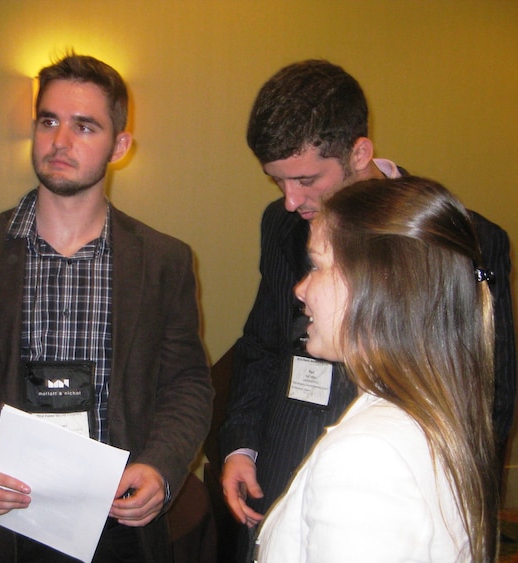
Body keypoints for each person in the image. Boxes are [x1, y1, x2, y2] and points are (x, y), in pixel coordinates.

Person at [0, 52, 213, 563]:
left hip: (115, 522)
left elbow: (188, 383)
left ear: (119, 146)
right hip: (0, 522)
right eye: (49, 121)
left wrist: (163, 468)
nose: (60, 141)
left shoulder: (164, 260)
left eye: (85, 126)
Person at [218, 60, 514, 559]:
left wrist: (468, 506)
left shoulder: (460, 238)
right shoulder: (281, 223)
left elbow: (491, 393)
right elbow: (263, 341)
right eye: (278, 182)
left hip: (395, 469)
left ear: (360, 152)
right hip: (290, 454)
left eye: (307, 179)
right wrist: (241, 445)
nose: (291, 201)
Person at [255, 176, 499, 562]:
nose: (300, 288)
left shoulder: (368, 457)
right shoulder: (421, 413)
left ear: (378, 283)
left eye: (317, 266)